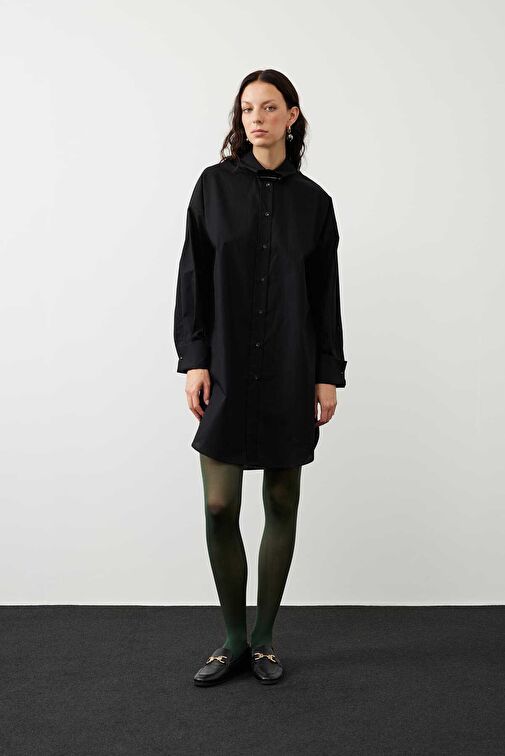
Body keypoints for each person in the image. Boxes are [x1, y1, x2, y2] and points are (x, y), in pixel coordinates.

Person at [173, 69, 347, 686]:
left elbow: (325, 297)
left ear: (292, 116)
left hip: (289, 369)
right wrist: (194, 358)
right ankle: (232, 638)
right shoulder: (212, 187)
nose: (256, 119)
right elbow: (193, 276)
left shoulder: (314, 203)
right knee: (219, 504)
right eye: (247, 109)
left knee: (280, 501)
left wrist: (327, 374)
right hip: (223, 367)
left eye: (269, 108)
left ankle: (264, 639)